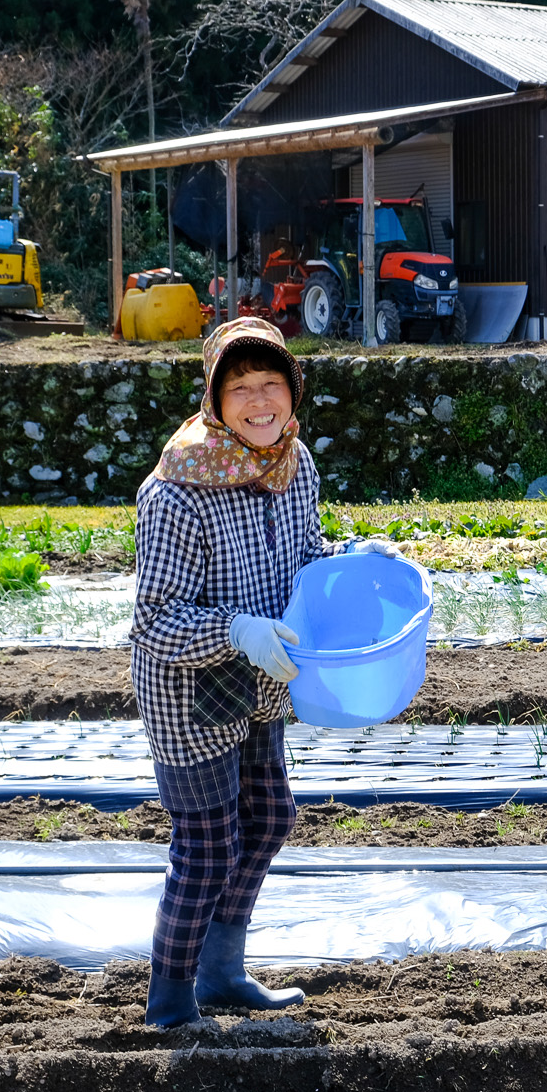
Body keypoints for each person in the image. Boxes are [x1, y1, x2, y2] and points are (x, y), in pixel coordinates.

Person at [129, 317, 386, 1027]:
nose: (260, 400)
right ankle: (170, 998)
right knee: (208, 848)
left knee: (270, 816)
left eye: (271, 382)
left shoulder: (294, 464)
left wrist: (355, 561)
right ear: (215, 398)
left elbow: (305, 555)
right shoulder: (177, 491)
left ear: (292, 389)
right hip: (189, 688)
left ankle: (222, 971)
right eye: (240, 387)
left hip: (263, 680)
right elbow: (154, 622)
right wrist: (235, 629)